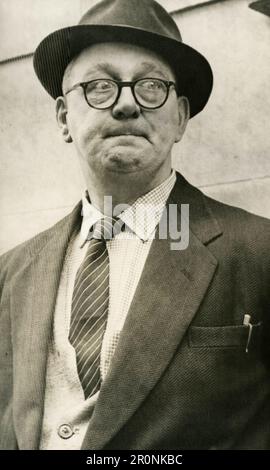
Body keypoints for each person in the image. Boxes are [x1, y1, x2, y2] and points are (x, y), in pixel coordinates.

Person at [0, 0, 269, 451]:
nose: (126, 104)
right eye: (100, 86)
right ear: (65, 117)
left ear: (180, 117)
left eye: (150, 86)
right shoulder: (10, 273)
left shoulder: (259, 251)